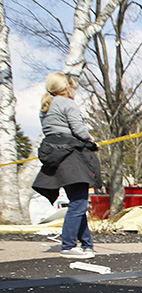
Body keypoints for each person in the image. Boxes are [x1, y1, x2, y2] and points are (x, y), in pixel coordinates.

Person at [32, 72, 102, 259]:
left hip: (56, 154)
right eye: (73, 87)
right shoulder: (67, 104)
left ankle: (87, 244)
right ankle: (69, 245)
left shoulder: (45, 107)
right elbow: (78, 129)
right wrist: (91, 142)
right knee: (79, 204)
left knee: (76, 202)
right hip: (72, 155)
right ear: (67, 88)